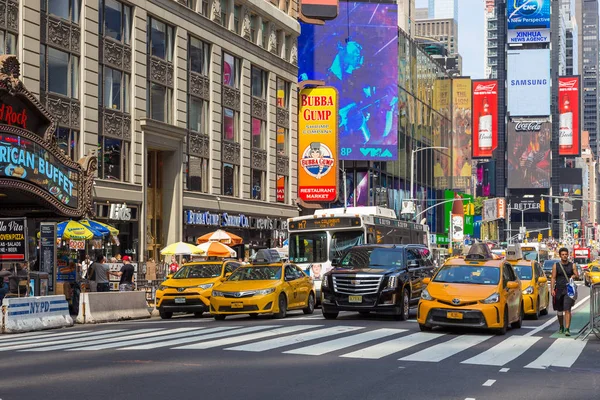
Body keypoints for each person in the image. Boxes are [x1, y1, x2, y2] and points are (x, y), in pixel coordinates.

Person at [551, 247, 580, 336]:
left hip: (569, 290)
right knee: (559, 311)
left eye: (566, 254)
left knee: (567, 309)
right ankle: (561, 326)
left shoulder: (572, 265)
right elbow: (553, 278)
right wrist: (552, 289)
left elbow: (577, 276)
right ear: (560, 255)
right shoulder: (556, 265)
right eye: (563, 254)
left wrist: (574, 276)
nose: (564, 256)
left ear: (568, 255)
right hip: (558, 290)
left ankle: (567, 329)